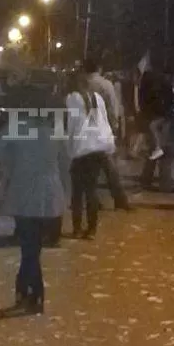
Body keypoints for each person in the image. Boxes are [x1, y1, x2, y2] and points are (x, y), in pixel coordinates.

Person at [0, 85, 69, 314]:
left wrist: (10, 159)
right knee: (33, 247)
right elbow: (66, 161)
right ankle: (26, 290)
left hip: (23, 193)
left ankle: (35, 292)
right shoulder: (55, 129)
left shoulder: (17, 127)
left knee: (29, 247)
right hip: (50, 194)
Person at [65, 72, 115, 239]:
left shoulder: (73, 98)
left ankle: (77, 228)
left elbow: (72, 124)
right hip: (97, 148)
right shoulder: (97, 98)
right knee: (91, 189)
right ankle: (92, 229)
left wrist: (68, 147)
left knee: (77, 192)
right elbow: (103, 121)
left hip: (81, 148)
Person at [83, 59, 131, 211]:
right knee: (109, 166)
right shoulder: (106, 85)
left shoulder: (81, 85)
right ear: (99, 68)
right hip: (103, 129)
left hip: (85, 130)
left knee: (90, 167)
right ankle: (119, 199)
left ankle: (94, 199)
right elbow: (112, 108)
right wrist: (115, 127)